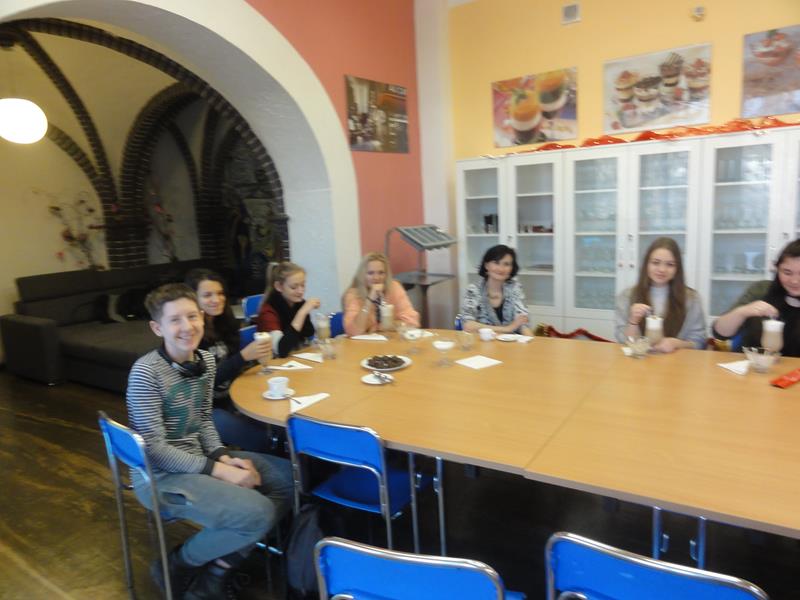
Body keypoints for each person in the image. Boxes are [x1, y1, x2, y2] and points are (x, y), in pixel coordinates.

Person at [126, 283, 293, 599]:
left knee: (289, 479)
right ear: (157, 328)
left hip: (201, 459)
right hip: (159, 477)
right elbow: (155, 450)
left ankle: (219, 566)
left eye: (192, 316)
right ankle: (178, 563)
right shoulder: (146, 373)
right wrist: (220, 470)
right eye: (175, 320)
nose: (187, 327)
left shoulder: (205, 360)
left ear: (202, 317)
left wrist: (223, 456)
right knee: (259, 513)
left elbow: (203, 419)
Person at [185, 269, 272, 452]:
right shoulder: (189, 336)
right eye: (207, 295)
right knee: (264, 440)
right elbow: (203, 383)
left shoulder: (224, 323)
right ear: (192, 300)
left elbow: (234, 365)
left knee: (276, 420)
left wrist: (253, 361)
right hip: (207, 409)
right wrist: (243, 357)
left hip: (233, 395)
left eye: (220, 293)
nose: (216, 299)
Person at [614, 237, 706, 352]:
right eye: (655, 263)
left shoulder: (691, 299)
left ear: (677, 269)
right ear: (646, 265)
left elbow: (700, 341)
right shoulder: (627, 296)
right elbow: (622, 341)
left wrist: (677, 343)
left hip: (677, 361)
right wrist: (633, 322)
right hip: (640, 361)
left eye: (670, 264)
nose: (662, 269)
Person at [713, 239, 800, 357]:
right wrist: (742, 312)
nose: (794, 281)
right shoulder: (762, 289)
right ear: (777, 269)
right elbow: (720, 333)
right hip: (754, 365)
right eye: (787, 273)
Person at [460, 244, 533, 336]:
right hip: (483, 343)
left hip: (512, 343)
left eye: (506, 264)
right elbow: (467, 325)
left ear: (512, 268)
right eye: (496, 263)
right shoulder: (474, 290)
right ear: (486, 265)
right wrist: (508, 329)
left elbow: (523, 322)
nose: (501, 269)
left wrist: (531, 340)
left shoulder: (515, 288)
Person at [343, 252, 420, 336]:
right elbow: (353, 331)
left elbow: (413, 321)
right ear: (363, 275)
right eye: (370, 273)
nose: (376, 278)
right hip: (365, 343)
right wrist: (369, 300)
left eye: (381, 273)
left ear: (386, 275)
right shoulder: (354, 294)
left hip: (392, 340)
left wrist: (389, 325)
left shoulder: (394, 287)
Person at [255, 262, 320, 357]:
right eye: (294, 287)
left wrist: (303, 311)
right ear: (279, 287)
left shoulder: (297, 303)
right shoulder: (268, 312)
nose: (300, 291)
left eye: (303, 285)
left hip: (295, 356)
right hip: (274, 362)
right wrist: (302, 313)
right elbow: (281, 350)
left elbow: (308, 333)